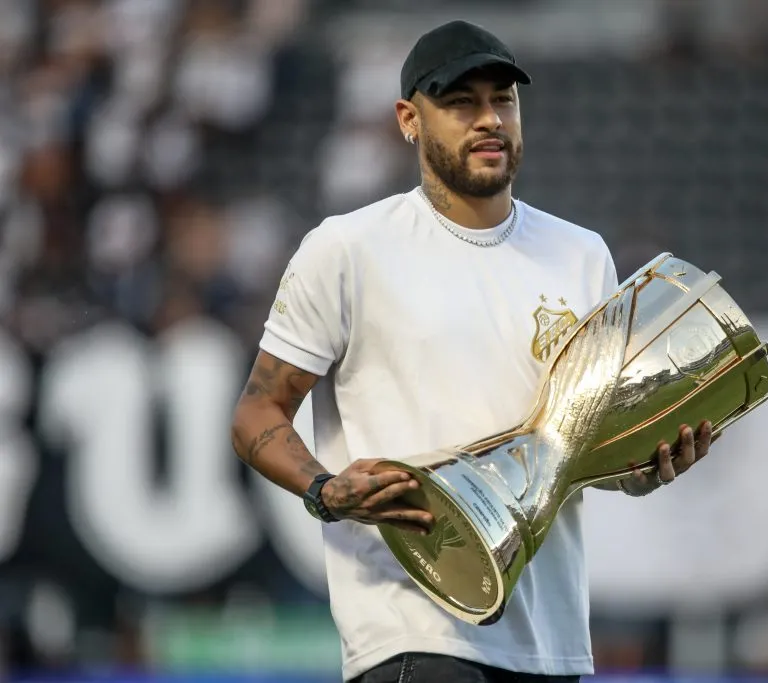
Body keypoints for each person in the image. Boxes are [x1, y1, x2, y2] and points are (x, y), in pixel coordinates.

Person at [230, 20, 714, 683]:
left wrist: (645, 466)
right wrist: (325, 488)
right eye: (461, 102)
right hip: (415, 628)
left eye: (503, 100)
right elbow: (257, 411)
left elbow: (583, 451)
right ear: (409, 118)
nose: (488, 118)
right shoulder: (348, 248)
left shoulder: (581, 255)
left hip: (551, 640)